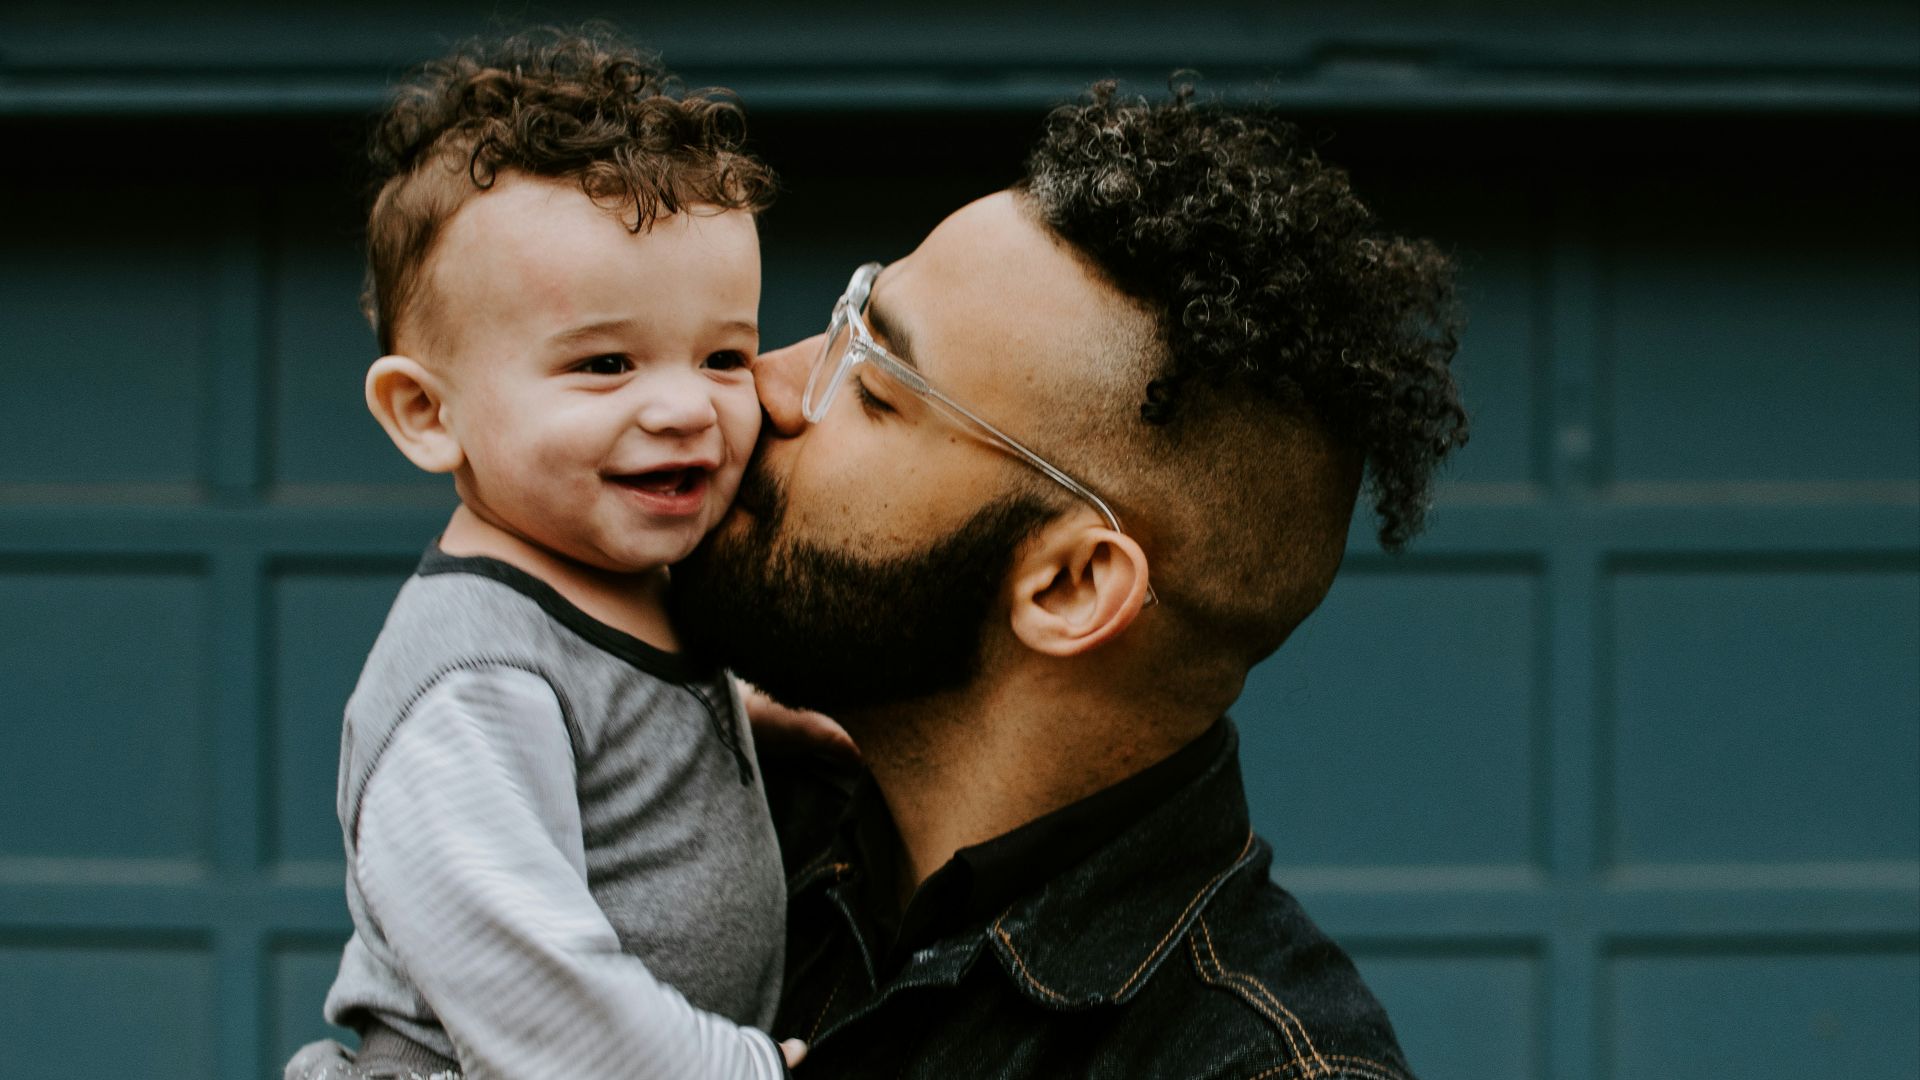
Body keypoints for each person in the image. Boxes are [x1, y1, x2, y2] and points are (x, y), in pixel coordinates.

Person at [667, 82, 1468, 1077]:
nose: (765, 384)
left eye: (872, 387)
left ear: (1071, 587)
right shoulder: (681, 801)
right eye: (846, 321)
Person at [288, 27, 800, 1080]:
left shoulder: (625, 587)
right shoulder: (473, 682)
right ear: (427, 414)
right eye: (606, 363)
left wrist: (759, 724)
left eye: (724, 355)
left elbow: (617, 743)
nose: (683, 406)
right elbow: (533, 992)